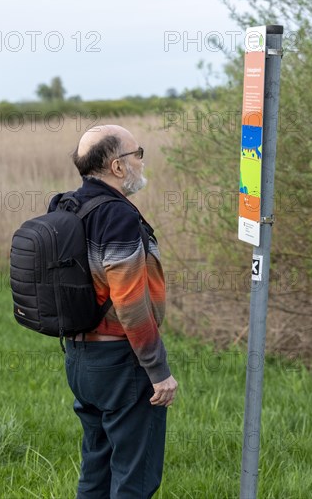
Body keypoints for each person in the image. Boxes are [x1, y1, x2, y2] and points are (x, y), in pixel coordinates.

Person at [63, 124, 178, 498]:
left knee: (95, 473)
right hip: (120, 362)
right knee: (134, 480)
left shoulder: (68, 206)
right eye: (137, 154)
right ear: (117, 166)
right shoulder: (117, 216)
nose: (142, 161)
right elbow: (130, 303)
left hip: (80, 358)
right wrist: (158, 371)